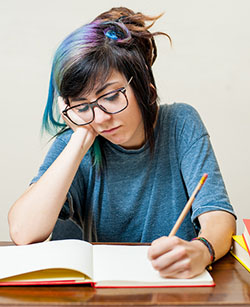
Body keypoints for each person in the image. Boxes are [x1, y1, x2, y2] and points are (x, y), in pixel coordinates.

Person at [8, 7, 236, 279]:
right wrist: (81, 137)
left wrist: (202, 250)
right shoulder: (77, 141)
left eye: (112, 96)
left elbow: (218, 216)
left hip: (174, 290)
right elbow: (24, 231)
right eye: (82, 105)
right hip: (103, 294)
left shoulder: (180, 123)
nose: (102, 118)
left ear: (144, 88)